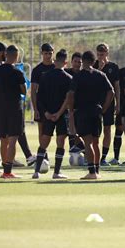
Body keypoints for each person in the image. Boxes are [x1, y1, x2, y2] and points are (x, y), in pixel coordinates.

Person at [68, 51, 114, 180]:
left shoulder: (78, 76)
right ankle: (97, 170)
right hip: (96, 111)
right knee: (95, 143)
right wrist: (104, 108)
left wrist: (71, 111)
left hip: (82, 111)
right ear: (94, 62)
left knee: (87, 142)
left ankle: (91, 171)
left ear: (83, 61)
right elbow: (111, 92)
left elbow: (71, 94)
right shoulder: (101, 75)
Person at [32, 49, 72, 179]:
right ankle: (57, 172)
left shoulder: (45, 76)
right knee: (61, 142)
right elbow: (68, 99)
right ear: (66, 62)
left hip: (48, 115)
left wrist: (46, 113)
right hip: (61, 115)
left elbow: (39, 97)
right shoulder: (68, 78)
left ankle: (36, 172)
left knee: (44, 142)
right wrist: (59, 113)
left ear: (55, 61)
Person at [0, 45, 26, 179]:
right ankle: (8, 171)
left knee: (3, 139)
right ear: (16, 56)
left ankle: (4, 169)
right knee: (13, 139)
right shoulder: (17, 72)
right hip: (14, 108)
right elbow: (24, 89)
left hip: (1, 107)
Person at [93, 43, 120, 167]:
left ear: (107, 54)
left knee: (108, 129)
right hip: (95, 103)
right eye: (98, 54)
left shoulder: (113, 67)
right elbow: (90, 81)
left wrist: (118, 103)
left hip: (109, 103)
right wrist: (99, 69)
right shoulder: (93, 66)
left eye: (102, 54)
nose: (100, 57)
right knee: (95, 130)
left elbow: (117, 87)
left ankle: (103, 157)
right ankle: (94, 156)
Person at [30, 43, 55, 163]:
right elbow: (34, 91)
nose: (48, 56)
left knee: (61, 133)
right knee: (42, 130)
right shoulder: (37, 70)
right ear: (42, 54)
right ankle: (43, 154)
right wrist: (35, 109)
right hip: (42, 105)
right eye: (46, 53)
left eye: (50, 53)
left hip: (56, 105)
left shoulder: (57, 67)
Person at [65, 52, 85, 153]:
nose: (77, 64)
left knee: (81, 132)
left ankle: (86, 151)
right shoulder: (66, 73)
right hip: (68, 107)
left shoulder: (84, 75)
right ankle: (76, 150)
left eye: (79, 62)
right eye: (75, 61)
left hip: (81, 108)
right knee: (70, 131)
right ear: (71, 62)